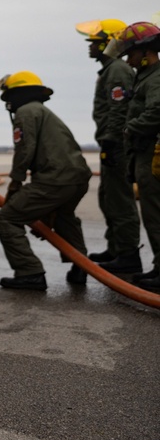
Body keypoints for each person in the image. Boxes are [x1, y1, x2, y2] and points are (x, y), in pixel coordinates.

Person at [0, 71, 92, 290]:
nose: (8, 103)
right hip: (77, 178)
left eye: (9, 96)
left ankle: (30, 272)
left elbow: (24, 149)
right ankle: (81, 268)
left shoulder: (26, 112)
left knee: (7, 218)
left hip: (55, 179)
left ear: (18, 94)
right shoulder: (43, 111)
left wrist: (15, 183)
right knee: (64, 217)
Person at [74, 19, 142, 272]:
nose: (89, 47)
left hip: (117, 144)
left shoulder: (117, 71)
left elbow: (119, 111)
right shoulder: (110, 70)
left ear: (108, 43)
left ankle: (128, 256)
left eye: (94, 43)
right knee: (108, 198)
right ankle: (116, 249)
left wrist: (113, 142)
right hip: (111, 143)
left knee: (120, 200)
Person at [105, 22, 160, 292]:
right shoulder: (146, 76)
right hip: (143, 153)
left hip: (151, 153)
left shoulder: (155, 77)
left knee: (156, 214)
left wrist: (130, 128)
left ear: (146, 51)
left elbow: (157, 111)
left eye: (131, 53)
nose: (128, 59)